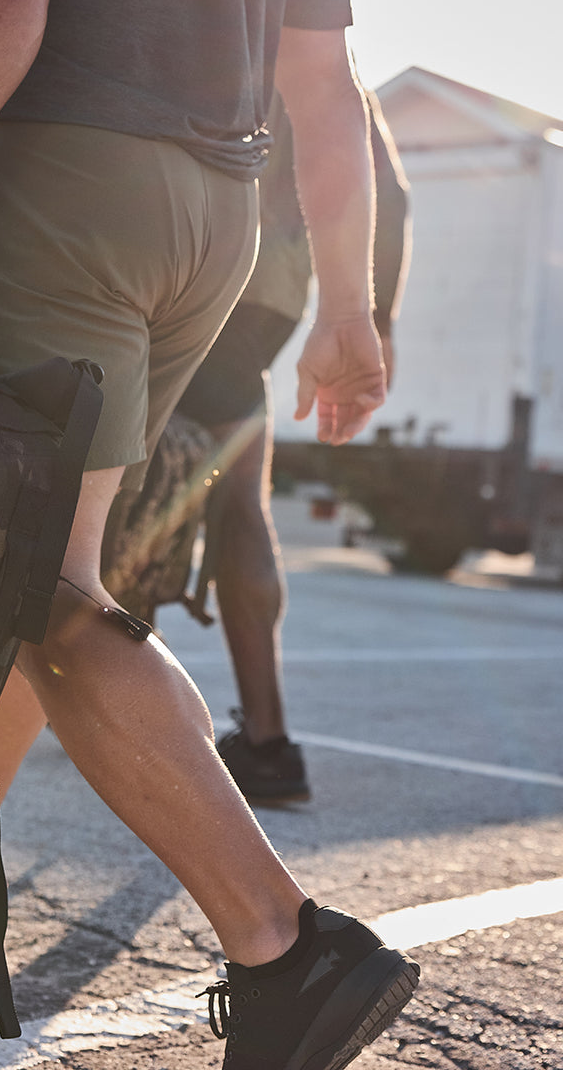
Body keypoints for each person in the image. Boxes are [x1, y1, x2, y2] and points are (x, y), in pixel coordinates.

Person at [0, 0, 421, 1067]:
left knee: (48, 593)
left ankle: (285, 949)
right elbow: (324, 85)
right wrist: (349, 310)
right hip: (214, 213)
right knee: (47, 582)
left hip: (71, 181)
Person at [105, 91, 411, 806]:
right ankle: (268, 745)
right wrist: (377, 317)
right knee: (239, 497)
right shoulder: (322, 52)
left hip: (187, 265)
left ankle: (102, 697)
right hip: (271, 297)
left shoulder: (213, 19)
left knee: (107, 475)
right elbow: (387, 188)